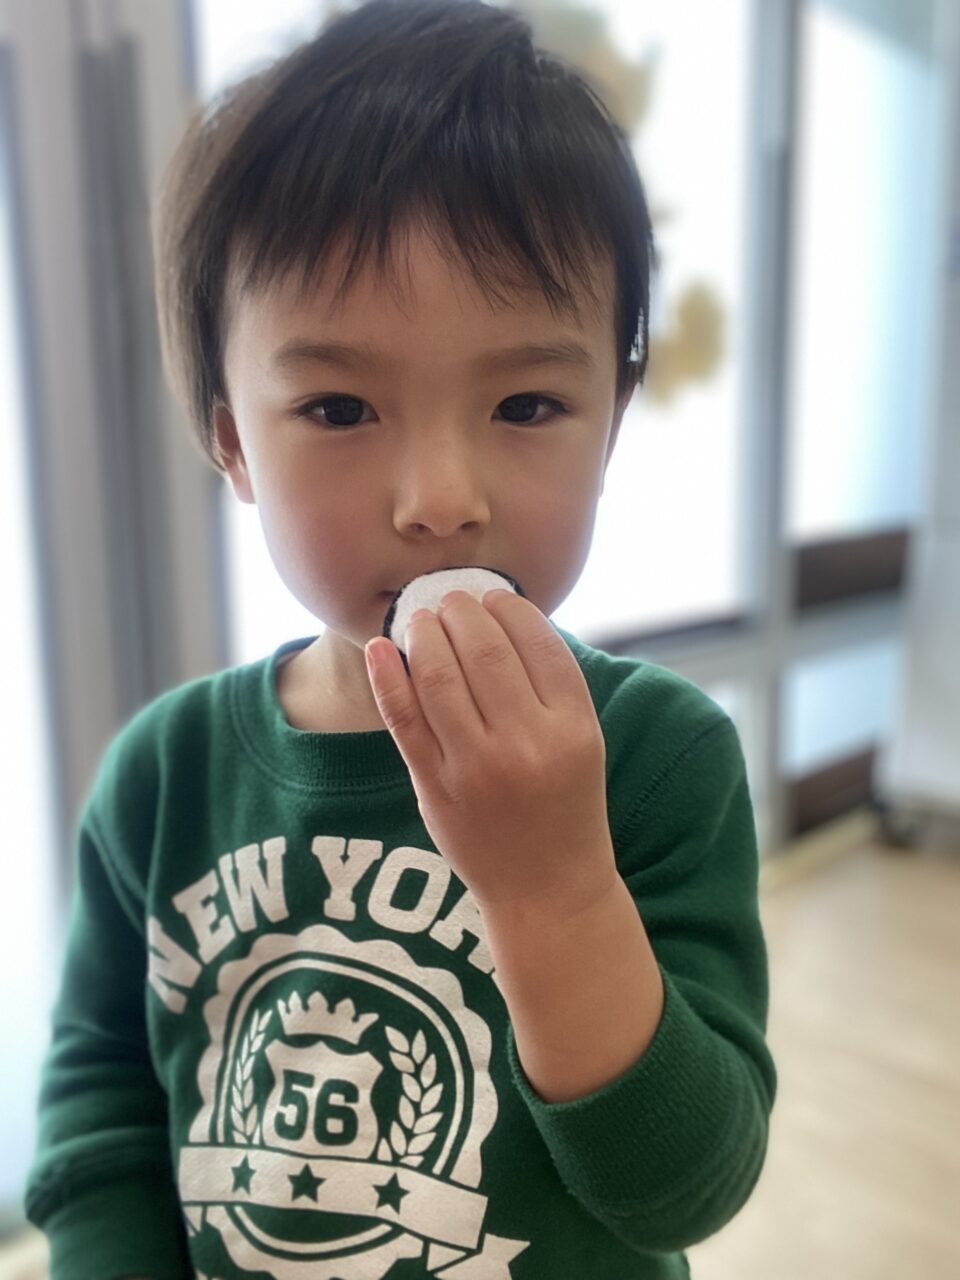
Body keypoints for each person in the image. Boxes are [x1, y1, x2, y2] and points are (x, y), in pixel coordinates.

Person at [24, 1, 776, 1277]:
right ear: (233, 441)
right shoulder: (161, 778)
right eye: (339, 406)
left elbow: (685, 1187)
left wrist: (553, 890)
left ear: (611, 419)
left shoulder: (659, 757)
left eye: (525, 403)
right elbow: (102, 1111)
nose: (439, 498)